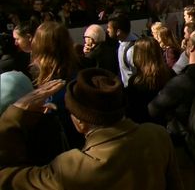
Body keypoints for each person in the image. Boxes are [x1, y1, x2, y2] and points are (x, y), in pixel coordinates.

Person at [0, 69, 183, 189]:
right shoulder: (156, 135)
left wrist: (13, 115)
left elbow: (6, 179)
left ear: (80, 122)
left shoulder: (71, 168)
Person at [149, 25, 195, 190]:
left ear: (191, 47)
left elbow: (153, 109)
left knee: (185, 181)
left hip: (184, 142)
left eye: (188, 39)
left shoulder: (181, 81)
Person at [125, 36, 174, 123]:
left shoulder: (136, 82)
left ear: (138, 56)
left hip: (146, 129)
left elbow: (133, 112)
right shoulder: (170, 74)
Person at [107, 14, 138, 87]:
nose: (107, 30)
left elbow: (136, 74)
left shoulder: (132, 50)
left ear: (118, 32)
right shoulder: (121, 42)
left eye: (109, 28)